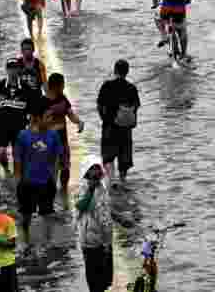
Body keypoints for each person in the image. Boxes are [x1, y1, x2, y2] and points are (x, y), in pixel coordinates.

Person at [14, 99, 63, 249]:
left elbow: (56, 159)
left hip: (46, 183)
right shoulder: (23, 136)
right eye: (48, 117)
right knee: (26, 217)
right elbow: (17, 161)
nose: (51, 120)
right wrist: (18, 183)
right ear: (36, 117)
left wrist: (54, 179)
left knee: (47, 216)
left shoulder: (53, 135)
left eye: (52, 116)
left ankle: (47, 243)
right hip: (27, 184)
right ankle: (26, 241)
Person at [0, 59, 34, 175]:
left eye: (15, 68)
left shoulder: (25, 88)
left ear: (19, 70)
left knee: (17, 155)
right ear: (7, 70)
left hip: (20, 126)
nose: (13, 71)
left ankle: (18, 177)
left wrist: (33, 124)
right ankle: (6, 169)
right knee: (1, 154)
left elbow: (33, 107)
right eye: (10, 68)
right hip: (2, 126)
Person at [97, 59, 140, 186]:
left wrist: (103, 119)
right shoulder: (131, 88)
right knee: (124, 159)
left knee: (108, 156)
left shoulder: (107, 85)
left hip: (110, 126)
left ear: (115, 70)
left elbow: (100, 105)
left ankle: (112, 181)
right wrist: (132, 122)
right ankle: (122, 182)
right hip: (125, 129)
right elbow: (136, 107)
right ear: (127, 71)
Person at [76, 157, 113, 291]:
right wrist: (90, 190)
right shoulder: (83, 188)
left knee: (105, 280)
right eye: (92, 169)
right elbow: (80, 206)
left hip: (104, 240)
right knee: (94, 281)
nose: (95, 172)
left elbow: (106, 212)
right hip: (90, 242)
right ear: (86, 172)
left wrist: (108, 242)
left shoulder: (103, 188)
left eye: (97, 169)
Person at [45, 73, 83, 192]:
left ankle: (64, 191)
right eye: (62, 85)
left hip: (63, 141)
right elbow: (35, 122)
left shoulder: (63, 98)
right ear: (55, 86)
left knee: (66, 168)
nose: (64, 87)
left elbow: (70, 114)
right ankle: (51, 194)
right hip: (48, 143)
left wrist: (79, 122)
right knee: (52, 171)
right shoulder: (42, 102)